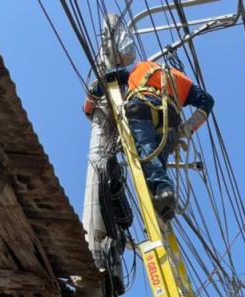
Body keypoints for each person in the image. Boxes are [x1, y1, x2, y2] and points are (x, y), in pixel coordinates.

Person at [85, 59, 214, 220]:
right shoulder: (181, 79)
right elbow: (207, 101)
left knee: (147, 151)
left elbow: (109, 77)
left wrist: (90, 103)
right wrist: (187, 129)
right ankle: (164, 204)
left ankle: (163, 190)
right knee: (157, 161)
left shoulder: (140, 66)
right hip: (170, 120)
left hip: (142, 106)